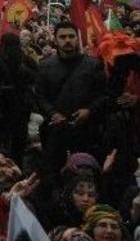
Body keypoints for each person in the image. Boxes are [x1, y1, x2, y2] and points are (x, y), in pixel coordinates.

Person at [36, 22, 110, 176]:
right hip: (56, 133)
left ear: (78, 38)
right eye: (62, 37)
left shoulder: (93, 65)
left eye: (71, 36)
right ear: (55, 40)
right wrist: (52, 114)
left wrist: (89, 111)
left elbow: (104, 95)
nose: (67, 40)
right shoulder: (44, 66)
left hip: (88, 132)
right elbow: (39, 97)